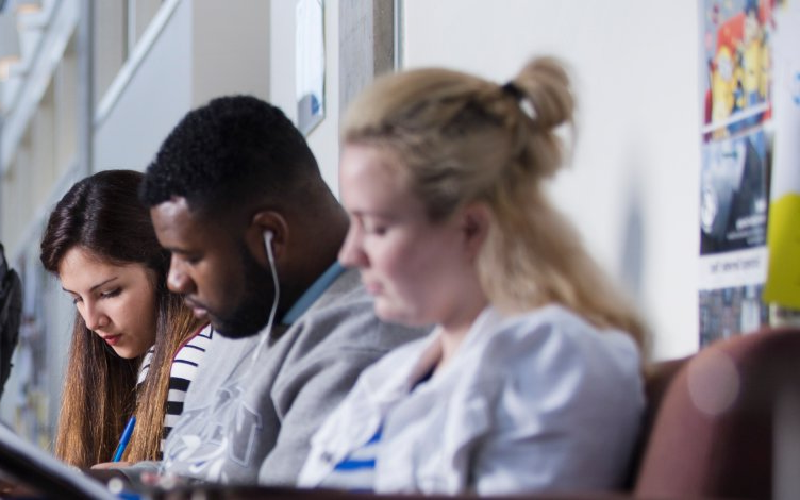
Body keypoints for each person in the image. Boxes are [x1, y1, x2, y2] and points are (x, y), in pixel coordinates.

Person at [298, 57, 648, 494]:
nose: (350, 254)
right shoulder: (389, 378)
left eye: (377, 227)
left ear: (471, 229)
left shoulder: (553, 360)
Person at [134, 95, 427, 485]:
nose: (174, 280)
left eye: (190, 256)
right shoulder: (246, 310)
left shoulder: (358, 346)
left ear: (269, 236)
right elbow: (195, 471)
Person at [39, 169, 211, 468]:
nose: (91, 321)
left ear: (167, 269)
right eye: (77, 299)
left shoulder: (188, 364)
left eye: (109, 292)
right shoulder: (153, 361)